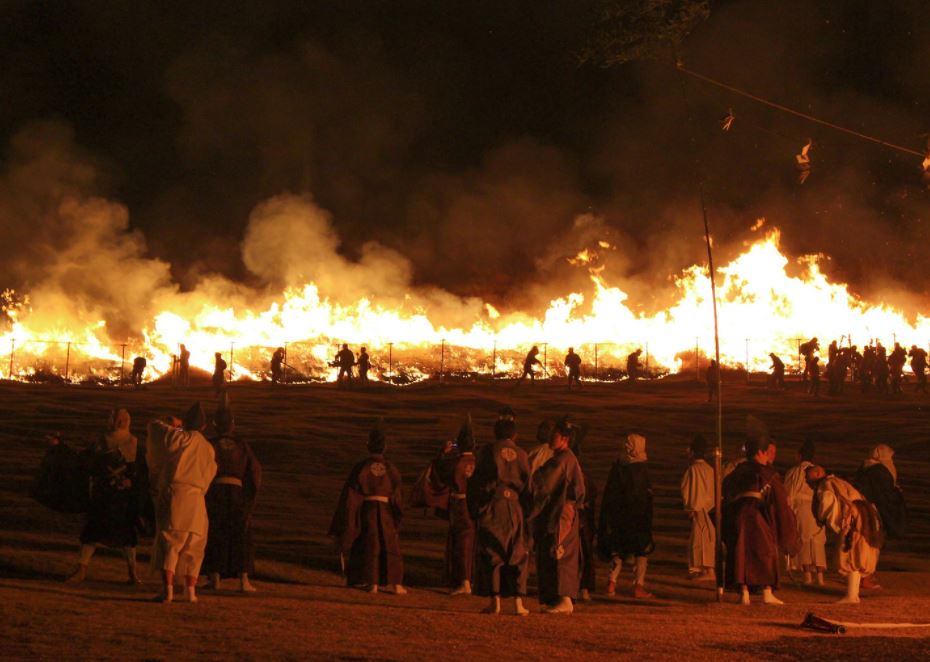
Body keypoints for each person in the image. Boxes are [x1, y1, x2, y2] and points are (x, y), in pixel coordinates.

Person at [722, 418, 799, 605]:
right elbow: (779, 502)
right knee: (765, 550)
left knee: (740, 550)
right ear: (760, 452)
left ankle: (744, 592)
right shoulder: (768, 474)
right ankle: (766, 591)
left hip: (738, 515)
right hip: (758, 516)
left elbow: (725, 488)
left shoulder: (737, 471)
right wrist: (787, 528)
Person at [147, 403, 218, 603]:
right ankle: (190, 592)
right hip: (198, 499)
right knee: (193, 546)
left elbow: (154, 426)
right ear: (204, 426)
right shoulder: (208, 448)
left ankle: (167, 590)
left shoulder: (181, 437)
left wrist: (175, 424)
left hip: (177, 495)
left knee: (171, 542)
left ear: (186, 423)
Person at [65, 408, 145, 585]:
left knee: (127, 535)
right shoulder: (101, 442)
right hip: (103, 496)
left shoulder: (134, 442)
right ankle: (81, 570)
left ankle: (132, 573)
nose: (121, 422)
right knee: (92, 532)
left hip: (123, 498)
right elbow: (86, 462)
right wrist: (59, 447)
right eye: (118, 419)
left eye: (124, 419)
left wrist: (131, 482)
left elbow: (140, 471)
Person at [329, 421, 405, 595]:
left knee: (370, 544)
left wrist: (347, 520)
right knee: (391, 544)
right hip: (386, 511)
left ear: (368, 445)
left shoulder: (361, 467)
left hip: (368, 509)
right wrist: (397, 515)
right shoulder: (391, 468)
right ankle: (396, 584)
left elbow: (350, 495)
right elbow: (397, 494)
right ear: (385, 446)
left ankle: (372, 583)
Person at [467, 417, 531, 616]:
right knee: (517, 551)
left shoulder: (488, 451)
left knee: (492, 551)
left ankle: (495, 601)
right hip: (515, 506)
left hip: (494, 504)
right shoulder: (522, 454)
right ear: (514, 435)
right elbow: (528, 486)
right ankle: (518, 603)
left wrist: (476, 507)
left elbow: (477, 480)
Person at [203, 394, 262, 593]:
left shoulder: (209, 444)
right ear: (233, 424)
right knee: (241, 534)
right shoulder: (242, 445)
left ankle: (214, 577)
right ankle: (243, 580)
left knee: (215, 532)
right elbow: (254, 471)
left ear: (214, 424)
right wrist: (249, 496)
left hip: (215, 493)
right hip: (237, 494)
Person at [528, 417, 586, 614]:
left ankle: (564, 598)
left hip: (562, 512)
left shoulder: (562, 460)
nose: (551, 437)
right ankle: (556, 597)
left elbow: (543, 485)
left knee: (559, 551)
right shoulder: (564, 458)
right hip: (561, 510)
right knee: (553, 550)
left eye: (555, 434)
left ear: (564, 439)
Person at [415, 417, 478, 595]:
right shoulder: (479, 462)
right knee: (472, 541)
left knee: (460, 541)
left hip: (459, 505)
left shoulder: (454, 462)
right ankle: (470, 579)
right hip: (476, 505)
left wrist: (442, 452)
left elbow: (437, 470)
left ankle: (464, 581)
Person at [806, 465, 883, 604]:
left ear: (817, 473)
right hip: (865, 515)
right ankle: (853, 594)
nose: (807, 481)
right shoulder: (837, 481)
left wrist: (824, 519)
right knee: (857, 554)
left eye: (808, 477)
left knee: (850, 555)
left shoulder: (826, 484)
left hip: (853, 517)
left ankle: (852, 596)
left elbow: (827, 500)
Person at [598, 433, 654, 599]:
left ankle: (611, 584)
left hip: (619, 516)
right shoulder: (640, 470)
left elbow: (610, 494)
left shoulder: (618, 468)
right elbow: (645, 497)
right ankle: (638, 586)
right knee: (641, 552)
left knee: (618, 550)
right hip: (637, 517)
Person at [854, 444, 907, 590]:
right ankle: (866, 577)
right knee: (873, 544)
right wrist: (897, 494)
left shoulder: (864, 467)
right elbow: (884, 495)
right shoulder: (879, 471)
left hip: (862, 508)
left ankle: (864, 576)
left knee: (865, 543)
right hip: (873, 511)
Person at [783, 439, 826, 585]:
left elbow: (788, 494)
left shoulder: (794, 472)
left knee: (804, 539)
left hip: (801, 508)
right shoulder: (819, 471)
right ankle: (820, 577)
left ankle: (807, 575)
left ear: (799, 455)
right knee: (818, 541)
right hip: (817, 507)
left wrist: (788, 512)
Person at [680, 434, 715, 581]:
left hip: (698, 508)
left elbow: (686, 489)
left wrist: (690, 507)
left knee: (700, 539)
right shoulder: (710, 469)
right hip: (709, 508)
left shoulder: (693, 469)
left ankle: (706, 570)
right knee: (705, 538)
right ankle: (703, 569)